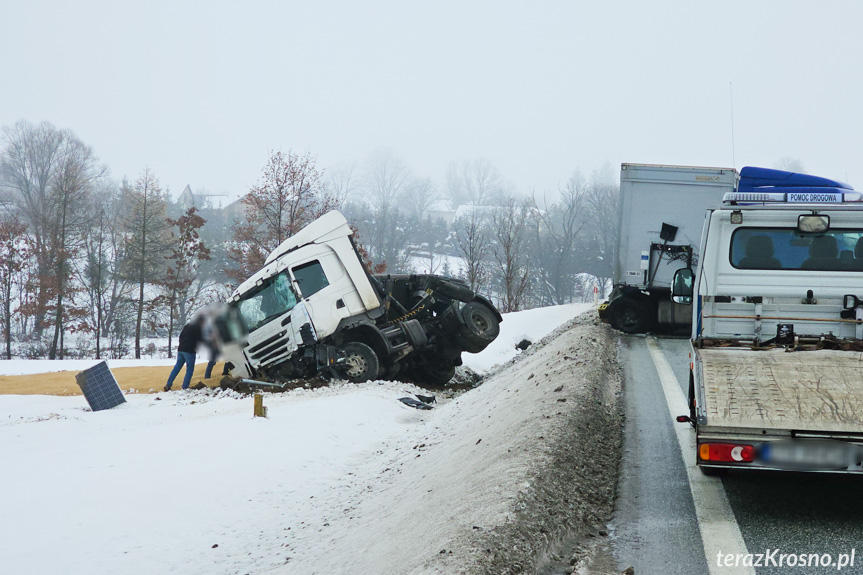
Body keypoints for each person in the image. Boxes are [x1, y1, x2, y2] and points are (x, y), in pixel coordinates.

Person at [164, 316, 205, 391]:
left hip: (181, 349)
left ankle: (168, 384)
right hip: (189, 351)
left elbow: (180, 337)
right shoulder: (198, 328)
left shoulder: (187, 326)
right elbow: (201, 340)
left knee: (177, 368)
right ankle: (185, 386)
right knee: (189, 369)